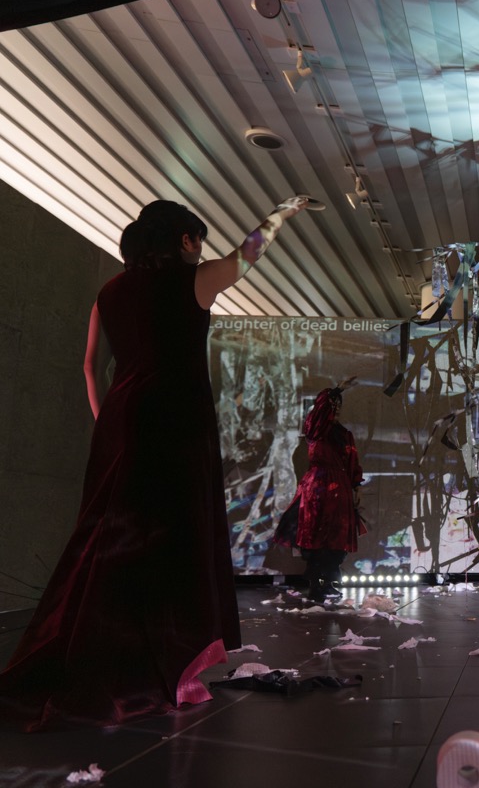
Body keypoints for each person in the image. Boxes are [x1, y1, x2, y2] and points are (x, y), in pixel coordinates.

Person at [0, 195, 311, 729]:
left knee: (108, 544)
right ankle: (166, 669)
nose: (200, 251)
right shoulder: (192, 281)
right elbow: (249, 253)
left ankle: (97, 658)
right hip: (178, 423)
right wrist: (282, 213)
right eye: (198, 242)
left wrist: (109, 423)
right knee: (174, 545)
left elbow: (90, 367)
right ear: (185, 240)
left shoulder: (109, 293)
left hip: (121, 422)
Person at [274, 382, 365, 601]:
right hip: (318, 489)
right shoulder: (316, 429)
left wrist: (356, 486)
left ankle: (329, 583)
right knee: (317, 537)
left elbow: (352, 462)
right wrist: (335, 391)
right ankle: (316, 585)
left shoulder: (344, 434)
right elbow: (319, 413)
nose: (337, 408)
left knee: (337, 538)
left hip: (340, 490)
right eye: (333, 404)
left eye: (339, 404)